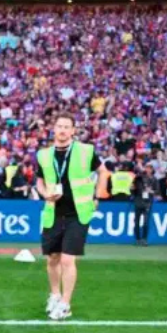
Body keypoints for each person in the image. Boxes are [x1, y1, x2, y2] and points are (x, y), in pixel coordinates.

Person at [35, 113, 111, 321]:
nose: (62, 130)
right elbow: (39, 181)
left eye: (66, 126)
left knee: (68, 259)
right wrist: (44, 194)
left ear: (73, 130)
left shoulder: (86, 151)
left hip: (78, 212)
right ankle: (55, 295)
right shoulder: (43, 155)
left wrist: (99, 195)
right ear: (54, 129)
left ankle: (66, 304)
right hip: (53, 211)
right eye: (59, 126)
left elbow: (103, 172)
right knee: (52, 258)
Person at [131, 163, 156, 246]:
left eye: (150, 168)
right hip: (138, 201)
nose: (148, 170)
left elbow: (157, 192)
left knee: (145, 222)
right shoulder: (138, 179)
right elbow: (133, 189)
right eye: (147, 168)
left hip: (147, 203)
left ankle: (144, 239)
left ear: (152, 170)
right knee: (136, 222)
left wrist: (151, 191)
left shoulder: (154, 179)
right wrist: (132, 188)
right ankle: (138, 239)